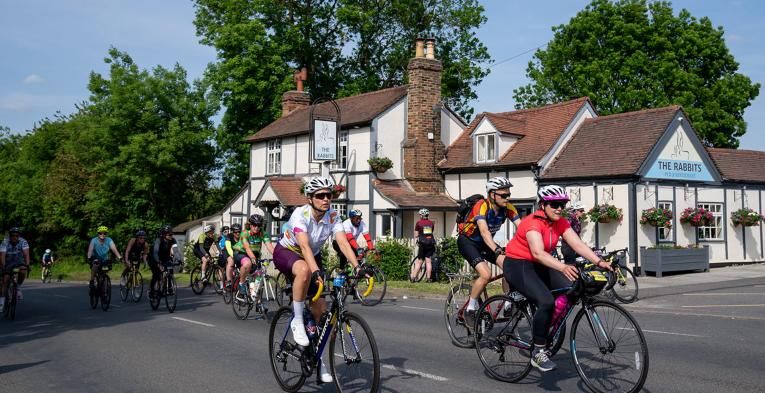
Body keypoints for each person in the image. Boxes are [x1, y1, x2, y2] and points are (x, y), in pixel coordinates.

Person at [504, 185, 612, 372]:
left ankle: (547, 327)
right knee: (546, 301)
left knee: (574, 286)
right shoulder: (532, 223)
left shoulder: (560, 222)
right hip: (518, 264)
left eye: (562, 204)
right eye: (555, 204)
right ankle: (538, 352)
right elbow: (537, 253)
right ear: (543, 205)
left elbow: (577, 243)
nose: (559, 208)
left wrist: (599, 261)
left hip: (541, 264)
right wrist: (562, 266)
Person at [273, 176, 360, 383]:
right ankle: (297, 320)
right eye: (320, 196)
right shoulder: (299, 215)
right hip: (288, 251)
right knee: (304, 270)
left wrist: (358, 266)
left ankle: (318, 360)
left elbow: (343, 243)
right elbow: (303, 247)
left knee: (322, 312)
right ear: (310, 198)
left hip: (313, 254)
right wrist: (316, 272)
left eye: (328, 195)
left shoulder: (333, 216)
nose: (326, 199)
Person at [458, 177, 520, 327]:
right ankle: (470, 309)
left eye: (508, 194)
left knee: (509, 266)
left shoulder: (509, 208)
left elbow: (523, 227)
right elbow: (484, 232)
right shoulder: (481, 206)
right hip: (468, 242)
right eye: (503, 195)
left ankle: (508, 305)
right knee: (486, 274)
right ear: (492, 194)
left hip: (486, 244)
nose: (507, 198)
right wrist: (497, 249)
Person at [232, 214, 275, 302]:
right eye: (254, 225)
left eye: (259, 225)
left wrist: (277, 257)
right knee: (248, 263)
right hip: (241, 253)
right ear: (250, 225)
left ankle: (257, 301)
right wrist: (252, 257)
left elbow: (269, 246)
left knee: (259, 274)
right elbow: (247, 247)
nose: (256, 227)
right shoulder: (245, 233)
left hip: (255, 255)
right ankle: (241, 285)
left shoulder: (263, 233)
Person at [0, 227, 31, 308]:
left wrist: (27, 265)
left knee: (23, 270)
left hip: (18, 262)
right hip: (8, 262)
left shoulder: (23, 241)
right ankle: (2, 302)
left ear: (19, 236)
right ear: (10, 236)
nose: (15, 237)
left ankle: (17, 287)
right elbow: (2, 255)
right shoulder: (5, 242)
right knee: (5, 279)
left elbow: (26, 254)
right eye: (13, 235)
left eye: (17, 236)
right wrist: (3, 267)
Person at [149, 225, 177, 299]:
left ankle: (169, 288)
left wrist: (178, 259)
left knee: (170, 270)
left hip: (165, 257)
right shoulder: (158, 240)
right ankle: (152, 291)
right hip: (154, 258)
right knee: (157, 274)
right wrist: (158, 263)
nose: (172, 235)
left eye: (172, 234)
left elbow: (176, 251)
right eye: (170, 234)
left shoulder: (173, 240)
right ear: (164, 234)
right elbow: (155, 252)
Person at [410, 208, 436, 282]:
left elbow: (416, 235)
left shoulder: (418, 223)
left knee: (419, 261)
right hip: (430, 243)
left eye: (420, 215)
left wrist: (419, 236)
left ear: (422, 215)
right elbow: (431, 232)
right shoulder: (431, 223)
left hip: (423, 244)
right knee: (428, 261)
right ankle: (428, 278)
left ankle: (413, 277)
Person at [223, 223, 243, 292]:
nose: (237, 233)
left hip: (237, 252)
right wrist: (234, 256)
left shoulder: (242, 237)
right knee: (231, 262)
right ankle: (229, 281)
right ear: (232, 232)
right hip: (227, 251)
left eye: (239, 232)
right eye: (235, 232)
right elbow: (228, 248)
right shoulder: (229, 236)